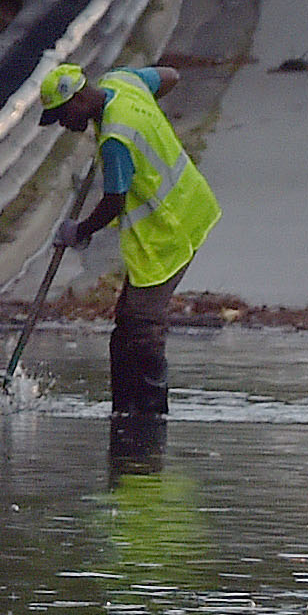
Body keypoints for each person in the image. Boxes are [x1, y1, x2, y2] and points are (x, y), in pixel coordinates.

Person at [37, 62, 220, 421]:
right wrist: (148, 115)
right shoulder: (124, 82)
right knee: (126, 326)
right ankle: (124, 410)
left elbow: (114, 201)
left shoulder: (116, 140)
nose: (63, 124)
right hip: (188, 205)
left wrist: (80, 231)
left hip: (169, 230)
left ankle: (150, 417)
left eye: (62, 115)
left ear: (76, 101)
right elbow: (171, 75)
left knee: (141, 326)